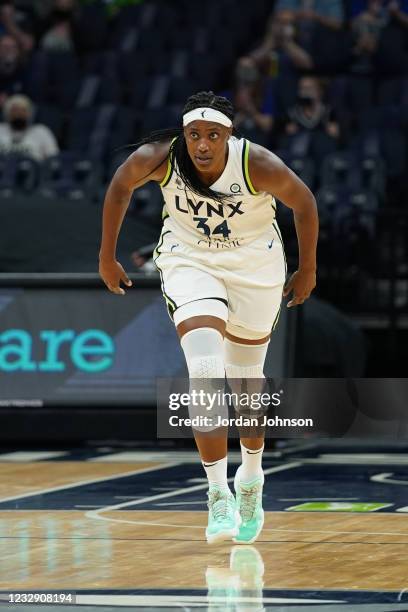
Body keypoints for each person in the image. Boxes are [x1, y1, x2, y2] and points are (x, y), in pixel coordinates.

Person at [99, 91, 318, 544]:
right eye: (194, 134)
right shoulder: (159, 158)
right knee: (203, 369)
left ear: (229, 136)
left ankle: (252, 479)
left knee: (246, 382)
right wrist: (106, 256)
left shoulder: (257, 163)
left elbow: (305, 204)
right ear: (184, 134)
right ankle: (217, 493)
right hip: (190, 261)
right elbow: (120, 186)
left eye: (212, 135)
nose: (202, 144)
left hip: (255, 266)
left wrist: (308, 269)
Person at [0, 94, 59, 160]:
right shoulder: (1, 129)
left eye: (23, 111)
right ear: (7, 114)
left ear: (30, 114)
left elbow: (54, 159)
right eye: (15, 110)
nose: (18, 114)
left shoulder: (42, 131)